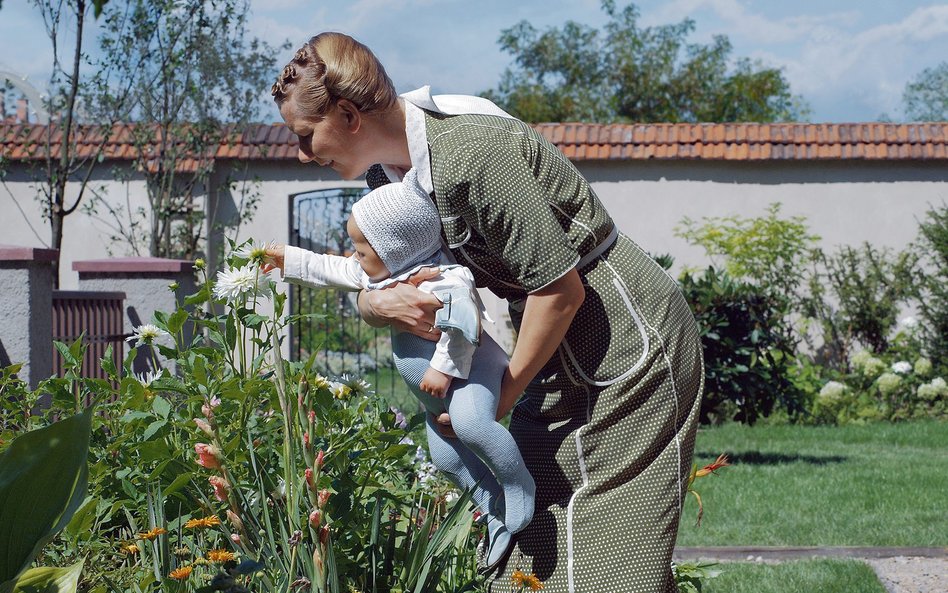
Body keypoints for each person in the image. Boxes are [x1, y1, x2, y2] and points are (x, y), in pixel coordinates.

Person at [271, 32, 704, 593]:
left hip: (624, 337)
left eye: (306, 136)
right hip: (549, 344)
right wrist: (376, 304)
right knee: (526, 545)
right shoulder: (388, 177)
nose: (304, 154)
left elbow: (560, 292)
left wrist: (503, 396)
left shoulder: (473, 153)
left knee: (615, 563)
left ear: (349, 114)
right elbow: (380, 279)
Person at [265, 168, 535, 569]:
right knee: (447, 460)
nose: (353, 255)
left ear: (394, 248)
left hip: (470, 374)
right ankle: (492, 506)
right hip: (434, 395)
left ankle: (517, 485)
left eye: (361, 249)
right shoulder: (382, 274)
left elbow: (465, 324)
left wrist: (443, 369)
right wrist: (287, 258)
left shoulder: (445, 278)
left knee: (473, 425)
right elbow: (331, 268)